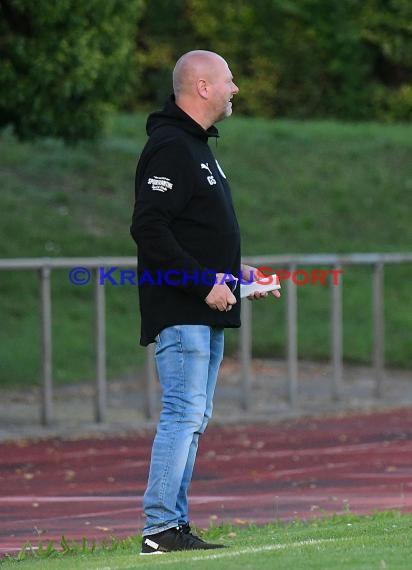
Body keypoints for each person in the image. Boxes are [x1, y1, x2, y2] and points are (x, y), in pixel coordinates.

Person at [130, 50, 280, 555]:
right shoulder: (171, 145)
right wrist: (201, 283)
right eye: (230, 80)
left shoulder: (196, 147)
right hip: (183, 309)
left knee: (193, 416)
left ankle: (173, 526)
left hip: (202, 306)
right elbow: (149, 227)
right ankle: (160, 528)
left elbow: (194, 229)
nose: (236, 88)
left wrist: (235, 273)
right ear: (202, 87)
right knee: (183, 414)